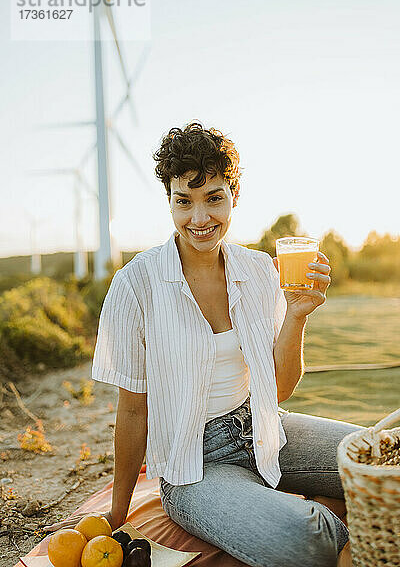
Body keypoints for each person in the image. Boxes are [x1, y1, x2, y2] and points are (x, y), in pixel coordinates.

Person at [45, 122, 362, 566]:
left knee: (384, 458)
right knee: (307, 537)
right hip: (193, 465)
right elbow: (134, 409)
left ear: (234, 195)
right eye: (184, 202)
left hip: (266, 427)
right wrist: (117, 513)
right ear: (169, 203)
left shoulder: (260, 271)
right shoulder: (136, 284)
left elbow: (281, 390)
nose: (199, 218)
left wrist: (295, 315)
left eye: (214, 197)